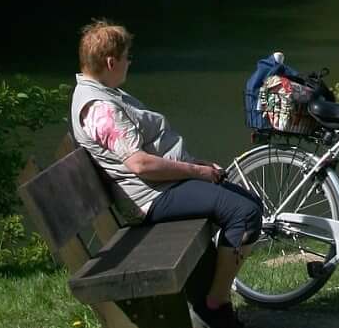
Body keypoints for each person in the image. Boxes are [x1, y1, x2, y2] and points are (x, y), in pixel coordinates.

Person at [72, 22, 263, 325]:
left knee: (244, 203)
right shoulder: (99, 108)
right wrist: (197, 171)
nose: (129, 63)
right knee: (244, 211)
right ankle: (216, 302)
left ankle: (212, 308)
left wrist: (197, 164)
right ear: (111, 62)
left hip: (160, 188)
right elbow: (140, 165)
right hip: (150, 199)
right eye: (127, 58)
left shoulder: (103, 93)